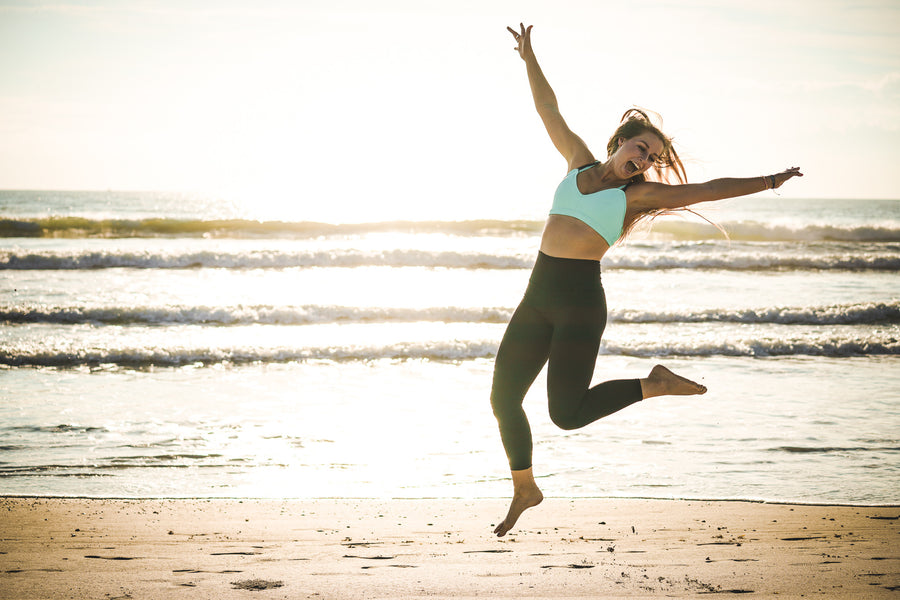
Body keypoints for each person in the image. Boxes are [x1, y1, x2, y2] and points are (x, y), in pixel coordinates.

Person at [490, 23, 803, 538]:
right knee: (504, 398)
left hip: (578, 305)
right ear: (619, 142)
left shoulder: (638, 197)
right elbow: (550, 109)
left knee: (565, 415)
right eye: (640, 147)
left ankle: (653, 384)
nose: (644, 159)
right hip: (536, 298)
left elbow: (707, 189)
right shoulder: (576, 162)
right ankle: (525, 486)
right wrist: (529, 59)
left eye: (652, 157)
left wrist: (767, 181)